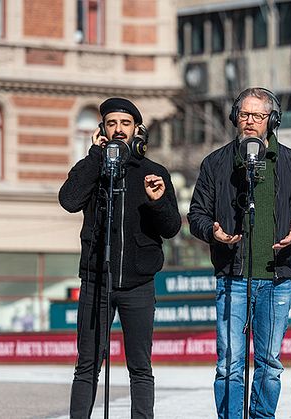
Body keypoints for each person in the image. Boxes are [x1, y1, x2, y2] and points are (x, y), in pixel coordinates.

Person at [188, 87, 291, 418]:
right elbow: (197, 215)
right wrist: (212, 232)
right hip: (232, 277)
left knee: (269, 364)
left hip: (276, 280)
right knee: (229, 363)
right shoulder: (216, 163)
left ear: (272, 121)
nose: (250, 122)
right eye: (244, 114)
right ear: (235, 118)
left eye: (258, 116)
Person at [59, 97, 181, 418]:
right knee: (86, 365)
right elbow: (69, 200)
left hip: (138, 284)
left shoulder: (154, 173)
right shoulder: (93, 168)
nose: (118, 129)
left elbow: (171, 228)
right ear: (102, 130)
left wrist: (157, 201)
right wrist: (95, 157)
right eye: (111, 123)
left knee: (140, 366)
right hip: (96, 281)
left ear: (137, 130)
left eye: (125, 124)